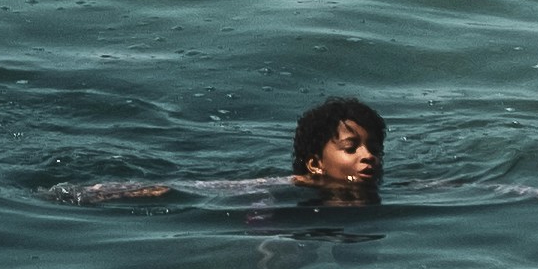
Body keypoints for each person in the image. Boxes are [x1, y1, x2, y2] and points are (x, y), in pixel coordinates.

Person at [71, 98, 385, 208]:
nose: (367, 155)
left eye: (373, 148)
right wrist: (107, 192)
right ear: (315, 164)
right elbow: (199, 188)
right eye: (351, 148)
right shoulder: (292, 185)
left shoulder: (376, 187)